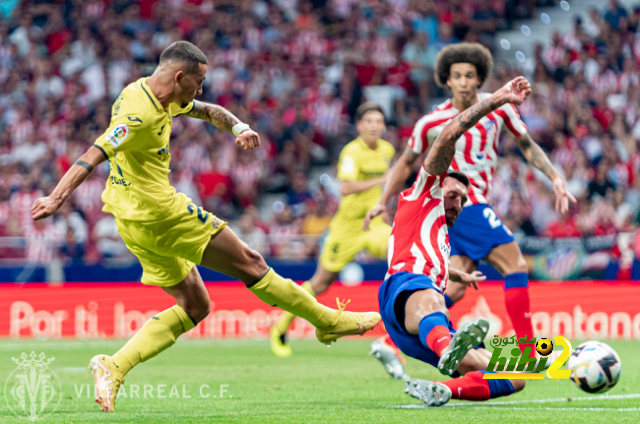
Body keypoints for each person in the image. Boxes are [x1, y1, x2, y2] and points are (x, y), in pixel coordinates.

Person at [31, 41, 381, 412]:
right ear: (179, 76)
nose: (200, 90)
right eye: (197, 82)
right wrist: (57, 197)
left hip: (130, 221)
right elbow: (93, 153)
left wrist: (239, 127)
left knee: (195, 305)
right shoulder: (138, 114)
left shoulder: (150, 90)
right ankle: (327, 321)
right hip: (162, 214)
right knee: (252, 264)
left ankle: (113, 365)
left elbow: (207, 110)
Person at [365, 43, 575, 376]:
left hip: (463, 211)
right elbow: (405, 163)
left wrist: (555, 178)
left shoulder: (501, 109)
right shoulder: (431, 122)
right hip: (462, 204)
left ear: (480, 80)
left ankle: (391, 343)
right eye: (457, 76)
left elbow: (527, 145)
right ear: (446, 81)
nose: (463, 82)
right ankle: (527, 350)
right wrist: (381, 199)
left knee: (458, 286)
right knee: (515, 263)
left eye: (470, 76)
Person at [379, 76, 532, 407]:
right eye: (453, 195)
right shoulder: (422, 194)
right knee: (431, 303)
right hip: (408, 288)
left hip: (415, 323)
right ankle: (448, 347)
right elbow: (448, 134)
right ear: (436, 184)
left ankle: (444, 388)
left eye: (463, 200)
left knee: (514, 378)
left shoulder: (441, 235)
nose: (458, 204)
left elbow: (433, 263)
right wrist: (499, 98)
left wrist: (455, 275)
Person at [270, 102, 394, 357]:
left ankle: (404, 330)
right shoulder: (351, 152)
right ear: (359, 126)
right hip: (346, 228)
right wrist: (382, 179)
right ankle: (281, 326)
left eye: (377, 121)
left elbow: (385, 187)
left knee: (399, 252)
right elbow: (346, 187)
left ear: (383, 126)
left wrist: (384, 203)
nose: (373, 126)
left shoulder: (387, 150)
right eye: (368, 121)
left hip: (374, 224)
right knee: (321, 282)